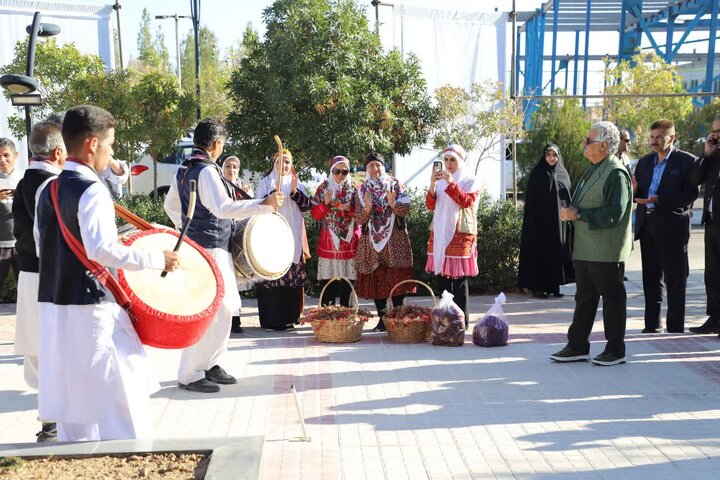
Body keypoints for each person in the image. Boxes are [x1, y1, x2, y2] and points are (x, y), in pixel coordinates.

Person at [34, 105, 180, 441]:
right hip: (92, 307)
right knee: (121, 397)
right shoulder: (93, 189)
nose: (111, 152)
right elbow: (101, 250)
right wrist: (156, 259)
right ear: (92, 143)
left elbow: (46, 248)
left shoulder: (48, 190)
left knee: (74, 401)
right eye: (110, 144)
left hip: (55, 305)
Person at [165, 118, 283, 393]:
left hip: (209, 246)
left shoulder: (185, 169)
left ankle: (211, 364)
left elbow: (170, 205)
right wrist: (263, 205)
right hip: (209, 249)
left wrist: (186, 228)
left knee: (225, 307)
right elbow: (223, 207)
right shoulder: (205, 171)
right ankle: (189, 373)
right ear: (216, 144)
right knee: (209, 309)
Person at [551, 121, 632, 366]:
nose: (584, 144)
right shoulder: (594, 168)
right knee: (584, 298)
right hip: (586, 248)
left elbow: (613, 214)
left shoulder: (616, 173)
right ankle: (577, 345)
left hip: (606, 250)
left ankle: (615, 350)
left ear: (604, 146)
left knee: (612, 299)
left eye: (589, 141)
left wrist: (577, 214)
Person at [11, 122, 67, 442]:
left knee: (39, 353)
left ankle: (50, 420)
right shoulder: (54, 185)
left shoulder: (23, 182)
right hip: (51, 277)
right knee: (56, 351)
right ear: (58, 152)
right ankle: (56, 421)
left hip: (29, 276)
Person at [633, 119, 698, 334]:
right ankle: (652, 325)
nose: (654, 141)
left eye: (659, 137)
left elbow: (690, 194)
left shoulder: (687, 161)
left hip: (673, 228)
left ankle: (675, 327)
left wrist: (661, 199)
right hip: (647, 226)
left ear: (672, 138)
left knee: (675, 279)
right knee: (651, 279)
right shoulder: (644, 163)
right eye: (651, 137)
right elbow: (638, 191)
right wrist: (632, 191)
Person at [354, 152, 415, 332]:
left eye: (378, 165)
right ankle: (382, 320)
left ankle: (397, 318)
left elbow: (405, 210)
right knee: (377, 279)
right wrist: (366, 208)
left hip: (395, 239)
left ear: (384, 166)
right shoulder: (362, 189)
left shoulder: (396, 185)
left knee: (396, 277)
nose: (375, 169)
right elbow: (358, 218)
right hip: (371, 241)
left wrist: (393, 203)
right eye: (371, 165)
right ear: (366, 169)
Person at [425, 144, 482, 327]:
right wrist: (433, 184)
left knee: (458, 280)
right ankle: (443, 320)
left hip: (460, 233)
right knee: (441, 278)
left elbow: (466, 202)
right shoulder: (440, 180)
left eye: (453, 160)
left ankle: (460, 322)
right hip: (440, 231)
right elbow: (430, 205)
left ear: (461, 161)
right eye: (446, 160)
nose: (448, 164)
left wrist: (451, 183)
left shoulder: (470, 179)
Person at [255, 148, 312, 331]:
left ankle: (289, 318)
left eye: (287, 162)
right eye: (280, 162)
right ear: (274, 164)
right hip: (271, 236)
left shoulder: (297, 184)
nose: (284, 165)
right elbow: (257, 206)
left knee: (290, 279)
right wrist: (272, 195)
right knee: (270, 277)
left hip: (291, 236)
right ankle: (270, 320)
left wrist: (294, 192)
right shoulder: (265, 183)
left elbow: (306, 207)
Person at [518, 144, 574, 299]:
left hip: (558, 223)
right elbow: (532, 201)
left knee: (556, 252)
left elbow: (567, 195)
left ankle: (554, 286)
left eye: (554, 155)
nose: (551, 158)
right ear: (544, 156)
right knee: (541, 253)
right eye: (548, 155)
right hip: (540, 224)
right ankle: (538, 288)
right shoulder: (538, 173)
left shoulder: (562, 173)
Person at [311, 155, 360, 307]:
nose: (340, 175)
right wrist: (325, 203)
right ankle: (328, 315)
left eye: (344, 172)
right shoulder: (323, 188)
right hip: (329, 241)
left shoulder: (356, 188)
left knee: (349, 280)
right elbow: (315, 214)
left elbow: (363, 215)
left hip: (351, 241)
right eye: (337, 171)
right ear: (331, 171)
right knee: (328, 280)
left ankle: (347, 314)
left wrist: (349, 209)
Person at [690, 115, 720, 335]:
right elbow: (695, 179)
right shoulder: (714, 155)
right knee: (712, 274)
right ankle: (714, 318)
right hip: (711, 223)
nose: (715, 135)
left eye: (719, 131)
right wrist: (706, 154)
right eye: (714, 131)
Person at [220, 155, 255, 334]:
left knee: (234, 280)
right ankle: (224, 320)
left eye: (234, 167)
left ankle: (235, 320)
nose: (231, 170)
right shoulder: (218, 186)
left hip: (237, 237)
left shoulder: (242, 187)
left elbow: (250, 212)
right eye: (228, 166)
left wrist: (247, 197)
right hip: (222, 236)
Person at [0, 138, 21, 291]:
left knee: (27, 289)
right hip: (0, 244)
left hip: (22, 244)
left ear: (16, 155)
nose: (2, 160)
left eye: (6, 155)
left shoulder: (25, 178)